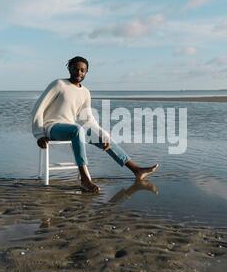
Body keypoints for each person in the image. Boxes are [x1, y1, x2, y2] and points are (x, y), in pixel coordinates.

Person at [31, 56, 159, 193]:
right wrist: (39, 134)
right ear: (69, 68)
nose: (79, 73)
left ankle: (136, 169)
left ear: (86, 72)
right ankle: (85, 179)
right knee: (77, 130)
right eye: (76, 69)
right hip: (52, 127)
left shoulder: (85, 92)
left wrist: (103, 135)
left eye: (83, 70)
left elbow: (88, 119)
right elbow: (38, 108)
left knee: (101, 137)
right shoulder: (59, 84)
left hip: (73, 129)